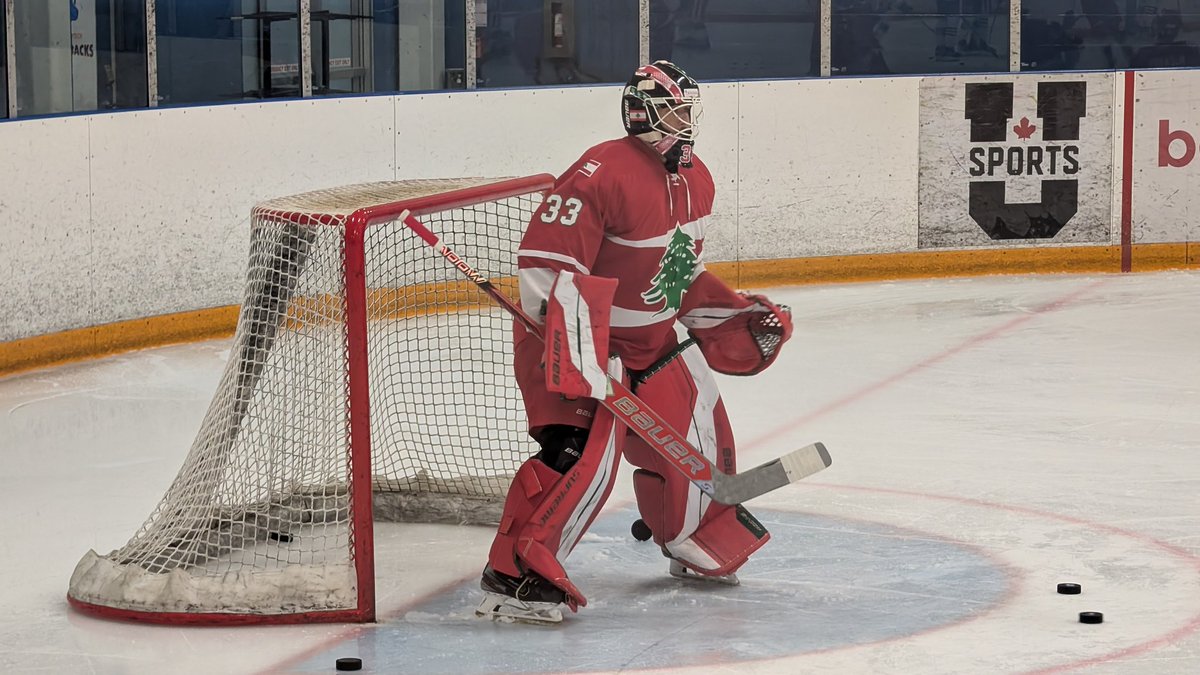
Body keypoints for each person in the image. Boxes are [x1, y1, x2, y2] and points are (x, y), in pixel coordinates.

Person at [475, 60, 795, 624]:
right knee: (578, 457)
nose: (686, 123)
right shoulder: (598, 173)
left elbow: (677, 274)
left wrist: (731, 315)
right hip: (575, 340)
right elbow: (547, 268)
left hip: (649, 340)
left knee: (699, 422)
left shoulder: (697, 179)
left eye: (689, 111)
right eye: (675, 111)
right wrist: (580, 353)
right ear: (641, 113)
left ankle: (692, 535)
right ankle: (514, 575)